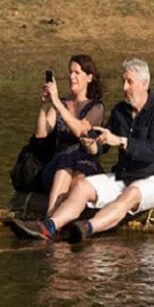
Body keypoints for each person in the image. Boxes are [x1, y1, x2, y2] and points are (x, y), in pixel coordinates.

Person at [13, 59, 154, 243]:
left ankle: (87, 228)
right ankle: (49, 226)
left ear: (145, 84)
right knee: (82, 186)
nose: (124, 87)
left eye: (129, 82)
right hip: (125, 176)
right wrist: (93, 146)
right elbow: (102, 146)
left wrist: (121, 141)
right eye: (123, 81)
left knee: (131, 194)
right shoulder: (121, 111)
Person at [36, 55, 105, 215]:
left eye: (76, 72)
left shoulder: (96, 107)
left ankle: (56, 220)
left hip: (84, 162)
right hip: (59, 164)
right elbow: (41, 133)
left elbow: (81, 130)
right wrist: (44, 106)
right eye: (70, 72)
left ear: (89, 77)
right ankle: (50, 217)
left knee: (80, 179)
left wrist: (58, 104)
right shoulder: (59, 103)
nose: (71, 76)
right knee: (64, 164)